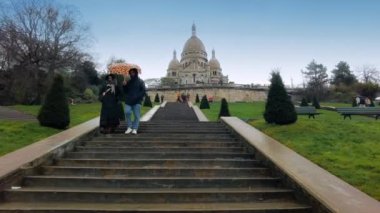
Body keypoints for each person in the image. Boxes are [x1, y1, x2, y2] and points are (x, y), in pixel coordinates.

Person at [123, 68, 146, 135]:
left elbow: (143, 91)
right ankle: (129, 127)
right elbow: (125, 91)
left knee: (136, 115)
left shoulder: (141, 81)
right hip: (129, 101)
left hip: (137, 101)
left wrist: (137, 97)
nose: (132, 74)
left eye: (133, 72)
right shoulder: (128, 82)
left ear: (136, 73)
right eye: (130, 73)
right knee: (127, 112)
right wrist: (124, 86)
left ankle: (135, 128)